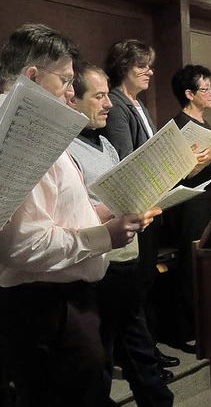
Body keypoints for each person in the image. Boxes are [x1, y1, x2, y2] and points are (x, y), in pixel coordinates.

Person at [0, 23, 158, 407]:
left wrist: (103, 212)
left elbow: (56, 210)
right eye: (66, 81)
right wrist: (105, 237)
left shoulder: (33, 124)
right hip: (47, 304)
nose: (72, 94)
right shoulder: (20, 128)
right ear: (33, 77)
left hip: (59, 300)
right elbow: (23, 246)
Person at [67, 63, 172, 407]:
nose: (109, 104)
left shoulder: (105, 144)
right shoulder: (66, 151)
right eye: (98, 96)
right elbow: (80, 211)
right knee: (101, 357)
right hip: (100, 265)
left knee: (139, 349)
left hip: (127, 258)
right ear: (73, 100)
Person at [103, 39, 179, 379]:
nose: (149, 71)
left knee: (146, 281)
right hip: (134, 202)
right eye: (141, 66)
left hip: (152, 198)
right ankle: (137, 354)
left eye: (149, 65)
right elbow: (124, 158)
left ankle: (146, 349)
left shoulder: (138, 104)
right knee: (136, 285)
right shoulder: (117, 104)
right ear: (123, 67)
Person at [166, 64, 211, 351]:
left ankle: (206, 324)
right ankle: (186, 331)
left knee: (206, 264)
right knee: (189, 265)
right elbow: (182, 173)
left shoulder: (204, 125)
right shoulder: (179, 126)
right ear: (189, 94)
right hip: (192, 203)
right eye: (205, 89)